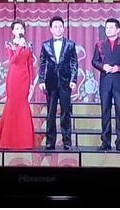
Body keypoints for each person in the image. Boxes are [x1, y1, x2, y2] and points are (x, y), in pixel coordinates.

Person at [91, 18, 120, 151]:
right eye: (107, 28)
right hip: (105, 82)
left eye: (111, 27)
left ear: (118, 30)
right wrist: (102, 66)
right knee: (105, 111)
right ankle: (105, 142)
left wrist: (119, 68)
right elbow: (94, 61)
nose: (109, 30)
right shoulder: (100, 44)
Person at [0, 20, 36, 149]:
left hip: (24, 78)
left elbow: (30, 65)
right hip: (13, 77)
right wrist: (19, 47)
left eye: (21, 28)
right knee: (12, 104)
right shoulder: (9, 44)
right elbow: (12, 60)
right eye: (17, 28)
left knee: (23, 104)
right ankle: (7, 140)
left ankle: (25, 141)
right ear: (13, 31)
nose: (19, 30)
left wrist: (31, 82)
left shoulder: (29, 45)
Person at [38, 16, 78, 150]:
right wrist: (41, 80)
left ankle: (67, 142)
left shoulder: (70, 44)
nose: (58, 29)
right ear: (51, 29)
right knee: (51, 113)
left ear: (64, 28)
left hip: (66, 82)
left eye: (60, 26)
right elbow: (42, 64)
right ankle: (50, 142)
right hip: (50, 82)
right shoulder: (45, 45)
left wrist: (73, 80)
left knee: (66, 112)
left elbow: (74, 63)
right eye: (55, 26)